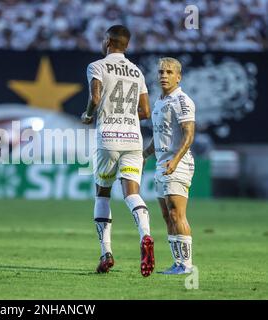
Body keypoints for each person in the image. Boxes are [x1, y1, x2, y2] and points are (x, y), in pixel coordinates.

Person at [81, 25, 154, 277]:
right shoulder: (137, 71)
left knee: (102, 193)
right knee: (132, 193)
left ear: (108, 41)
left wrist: (88, 115)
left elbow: (95, 98)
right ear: (127, 45)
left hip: (108, 138)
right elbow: (145, 111)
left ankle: (106, 253)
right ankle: (146, 235)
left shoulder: (97, 66)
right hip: (134, 139)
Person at [143, 57, 195, 274]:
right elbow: (159, 135)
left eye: (169, 72)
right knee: (167, 216)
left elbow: (189, 133)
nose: (164, 76)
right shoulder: (160, 101)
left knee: (177, 214)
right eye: (161, 72)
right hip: (162, 164)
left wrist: (175, 160)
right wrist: (145, 154)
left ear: (178, 76)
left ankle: (186, 265)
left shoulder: (182, 101)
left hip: (178, 164)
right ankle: (177, 263)